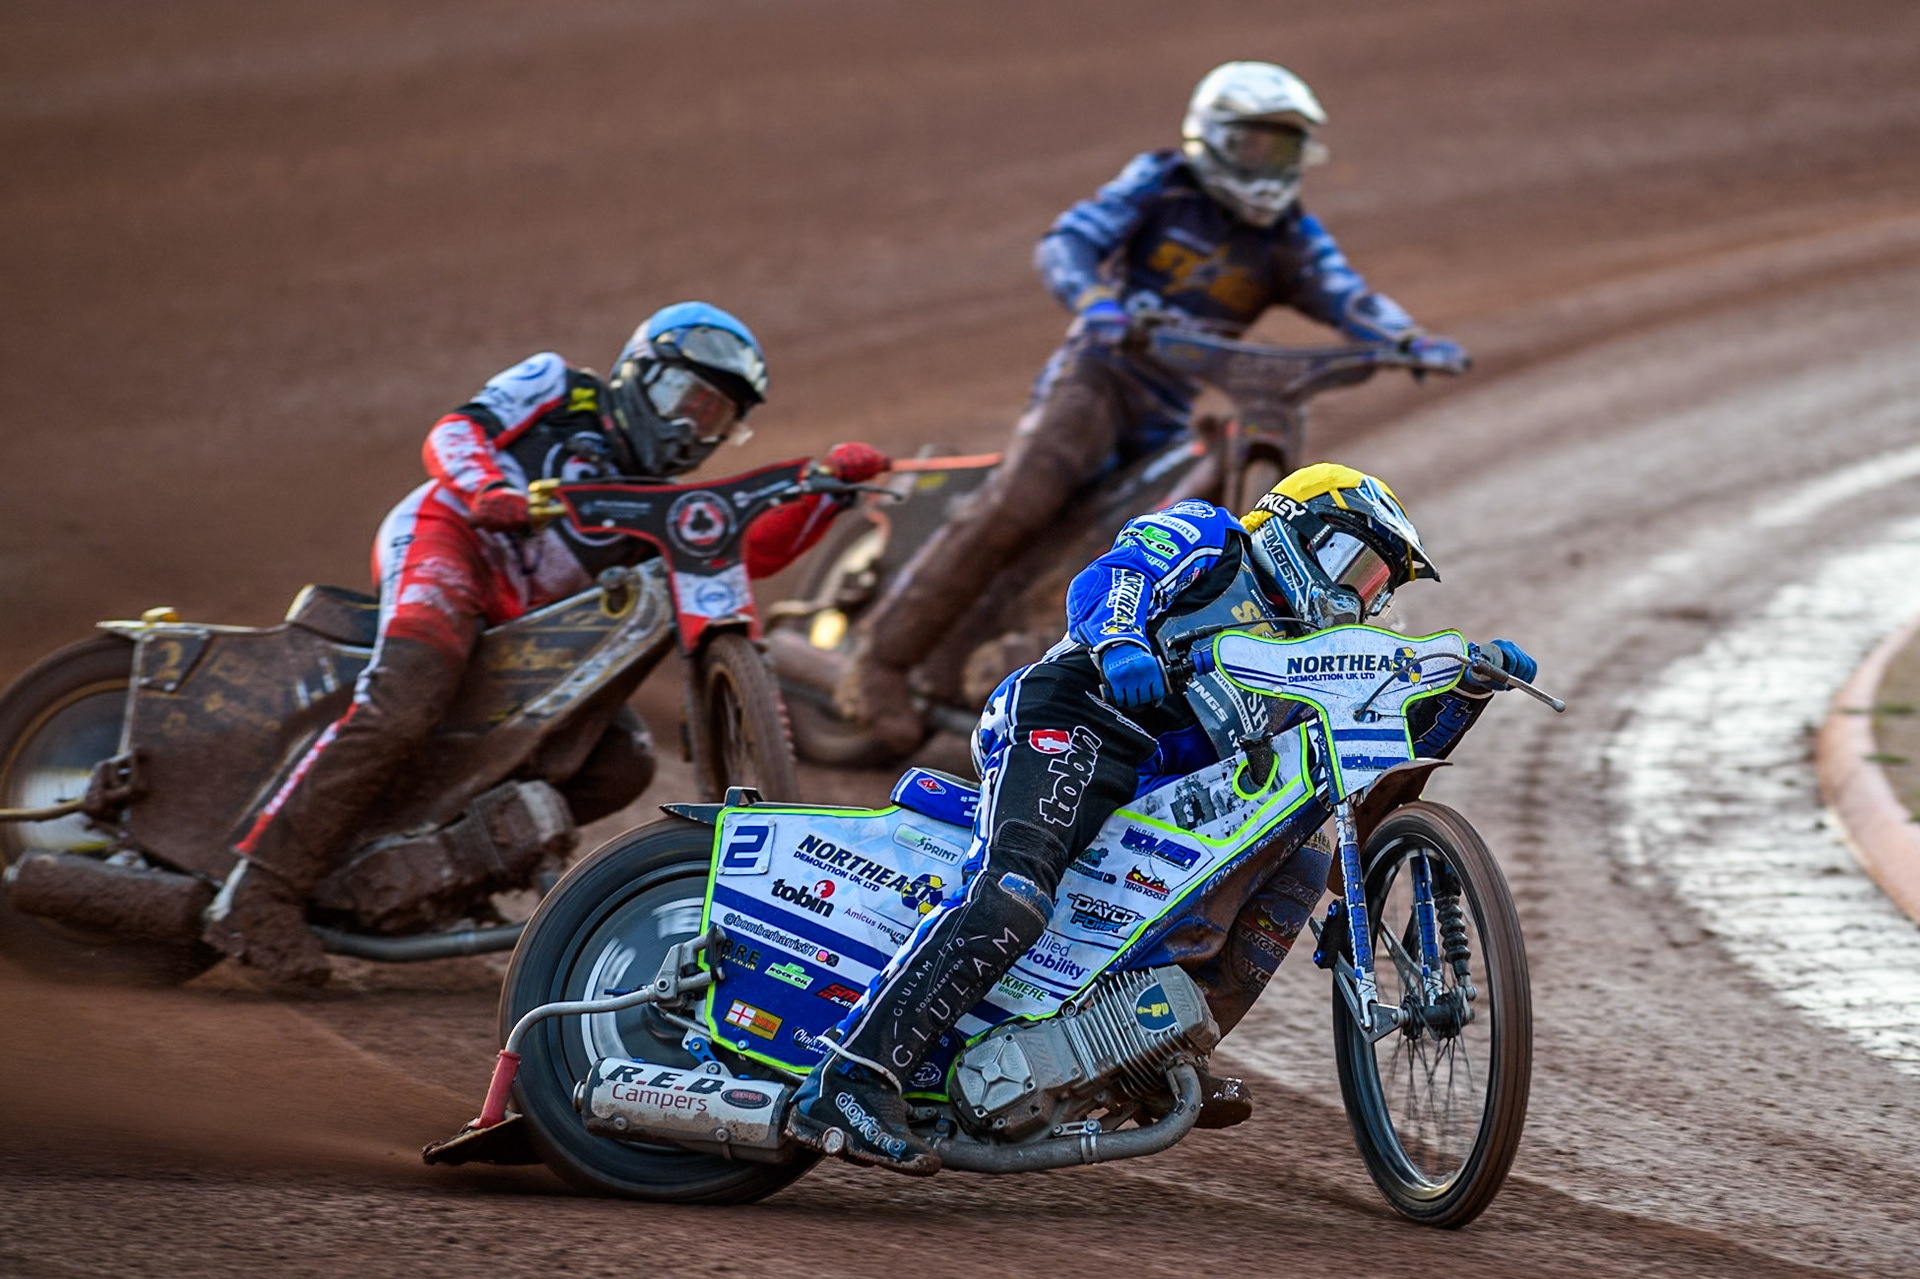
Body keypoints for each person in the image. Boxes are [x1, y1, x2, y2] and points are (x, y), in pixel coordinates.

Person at [788, 463, 1535, 1174]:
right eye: (1354, 563)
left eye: (1374, 588)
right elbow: (1116, 575)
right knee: (1015, 891)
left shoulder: (1311, 662)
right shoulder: (1215, 538)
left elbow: (1364, 796)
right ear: (1291, 527)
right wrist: (1120, 642)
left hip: (1163, 796)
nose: (1357, 594)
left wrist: (1462, 695)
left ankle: (1154, 1052)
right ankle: (853, 1077)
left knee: (1300, 859)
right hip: (1078, 716)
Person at [204, 302, 889, 986]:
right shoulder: (560, 388)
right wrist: (491, 488)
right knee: (411, 688)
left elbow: (745, 547)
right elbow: (456, 432)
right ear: (640, 373)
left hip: (529, 628)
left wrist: (825, 494)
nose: (691, 429)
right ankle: (258, 889)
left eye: (715, 419)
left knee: (617, 761)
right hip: (454, 538)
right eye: (688, 399)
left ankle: (448, 864)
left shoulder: (655, 502)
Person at [838, 61, 1470, 754]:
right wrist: (1094, 302)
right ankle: (882, 662)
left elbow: (1343, 292)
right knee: (1023, 499)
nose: (1271, 163)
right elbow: (1069, 241)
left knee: (1161, 537)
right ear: (1214, 138)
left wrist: (1407, 337)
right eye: (1256, 143)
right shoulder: (1161, 184)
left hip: (1170, 410)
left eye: (1285, 148)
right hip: (1096, 379)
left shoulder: (1287, 235)